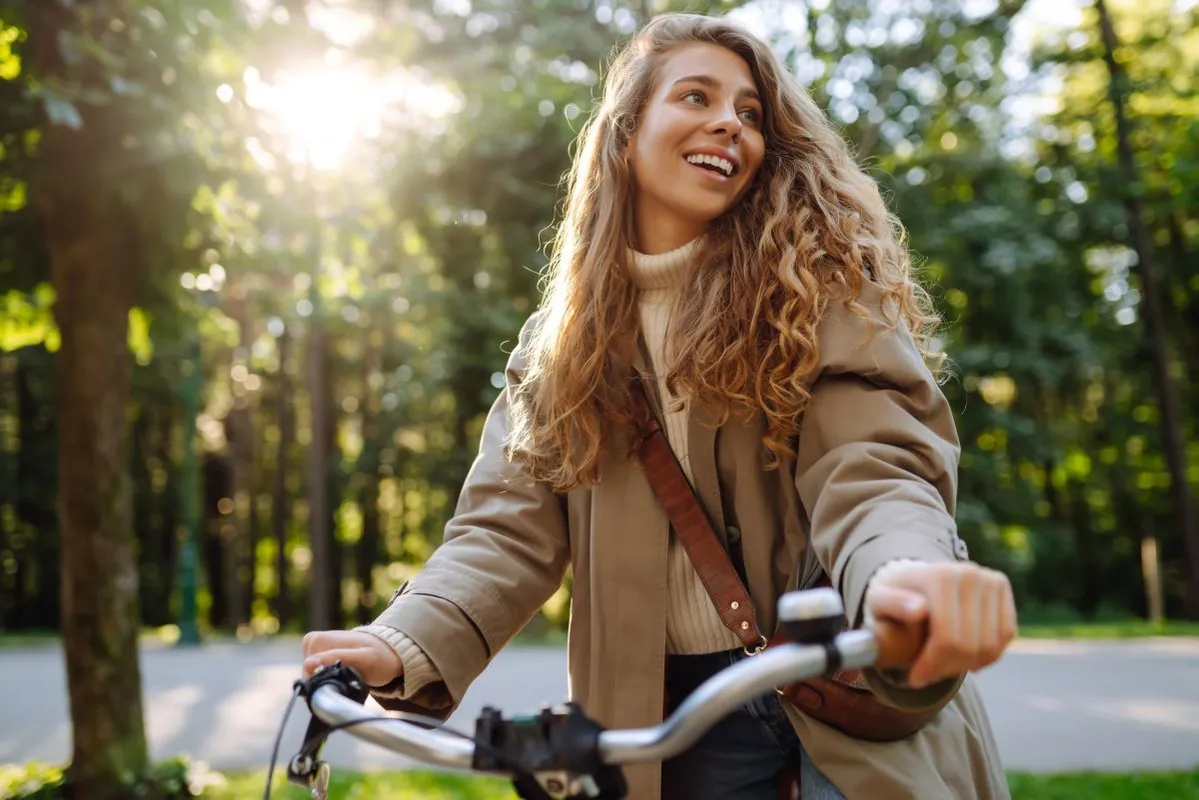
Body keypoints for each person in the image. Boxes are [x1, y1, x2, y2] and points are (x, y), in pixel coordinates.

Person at [302, 12, 1017, 800]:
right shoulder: (557, 347)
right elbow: (503, 528)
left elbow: (874, 466)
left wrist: (905, 574)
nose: (727, 123)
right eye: (695, 96)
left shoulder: (817, 292)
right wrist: (401, 639)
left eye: (749, 113)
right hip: (669, 719)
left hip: (839, 687)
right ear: (624, 133)